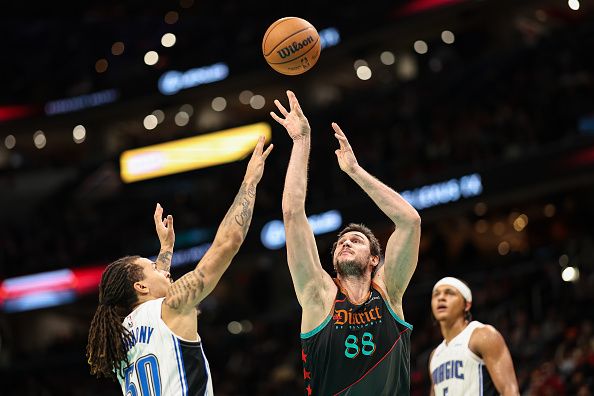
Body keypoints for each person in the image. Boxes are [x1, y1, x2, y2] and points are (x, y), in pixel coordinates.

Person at [86, 137, 272, 395]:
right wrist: (250, 182)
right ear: (140, 285)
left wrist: (166, 251)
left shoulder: (119, 338)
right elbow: (228, 242)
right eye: (153, 267)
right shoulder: (172, 306)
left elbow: (156, 296)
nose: (163, 271)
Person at [270, 90, 421, 395]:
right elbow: (292, 213)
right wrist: (301, 142)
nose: (345, 243)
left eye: (357, 240)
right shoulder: (318, 296)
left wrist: (354, 171)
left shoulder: (389, 292)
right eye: (341, 242)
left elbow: (410, 221)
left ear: (375, 259)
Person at [429, 277, 519, 396]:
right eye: (436, 294)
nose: (441, 298)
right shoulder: (435, 355)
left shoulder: (482, 335)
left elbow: (509, 390)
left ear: (466, 305)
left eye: (449, 293)